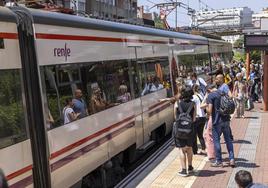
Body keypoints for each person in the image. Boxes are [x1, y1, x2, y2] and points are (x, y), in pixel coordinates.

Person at [207, 75, 235, 167]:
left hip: (217, 121)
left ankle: (219, 160)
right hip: (226, 119)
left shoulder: (211, 95)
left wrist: (206, 108)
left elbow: (210, 111)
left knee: (216, 141)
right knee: (228, 140)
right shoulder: (222, 92)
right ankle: (231, 159)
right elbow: (230, 98)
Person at [174, 86, 196, 176]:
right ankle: (190, 167)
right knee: (189, 148)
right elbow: (194, 119)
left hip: (179, 130)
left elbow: (175, 118)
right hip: (190, 130)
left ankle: (184, 170)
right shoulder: (193, 104)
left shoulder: (177, 103)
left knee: (182, 150)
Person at [201, 84, 217, 162]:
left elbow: (202, 107)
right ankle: (214, 154)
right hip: (216, 118)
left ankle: (211, 157)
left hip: (211, 119)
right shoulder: (218, 94)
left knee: (208, 137)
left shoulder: (210, 97)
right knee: (207, 135)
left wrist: (206, 97)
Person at [192, 84, 206, 155]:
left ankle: (195, 150)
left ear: (193, 89)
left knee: (194, 134)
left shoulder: (193, 97)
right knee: (200, 134)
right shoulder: (201, 95)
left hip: (197, 117)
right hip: (203, 117)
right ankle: (203, 148)